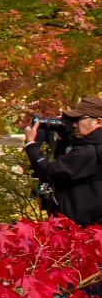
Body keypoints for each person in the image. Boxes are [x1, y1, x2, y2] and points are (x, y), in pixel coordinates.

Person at [25, 97, 102, 227]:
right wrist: (65, 139)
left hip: (74, 231)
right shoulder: (93, 149)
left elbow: (47, 171)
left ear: (98, 122)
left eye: (78, 120)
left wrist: (30, 145)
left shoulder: (88, 153)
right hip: (92, 231)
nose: (74, 125)